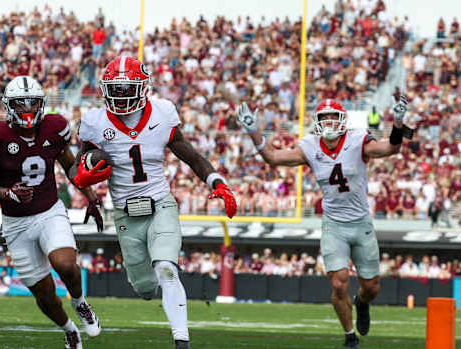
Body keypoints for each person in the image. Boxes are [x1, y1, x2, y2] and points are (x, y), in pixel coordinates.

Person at [72, 56, 237, 349]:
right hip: (125, 213)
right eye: (115, 89)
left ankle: (182, 342)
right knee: (145, 287)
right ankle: (151, 291)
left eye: (126, 88)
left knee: (166, 268)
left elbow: (193, 157)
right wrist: (86, 188)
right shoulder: (94, 122)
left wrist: (218, 183)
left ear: (142, 88)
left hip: (160, 203)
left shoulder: (162, 113)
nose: (120, 95)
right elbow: (77, 168)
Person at [237, 94, 410, 349]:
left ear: (342, 120)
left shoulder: (357, 139)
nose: (328, 122)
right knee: (339, 282)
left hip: (361, 222)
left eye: (333, 116)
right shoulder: (310, 145)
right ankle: (350, 336)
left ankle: (362, 303)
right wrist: (253, 131)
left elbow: (391, 148)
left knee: (371, 287)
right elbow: (273, 157)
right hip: (333, 224)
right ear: (316, 121)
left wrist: (398, 122)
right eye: (324, 117)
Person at [0, 76, 107, 349]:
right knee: (44, 293)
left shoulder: (55, 128)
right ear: (8, 106)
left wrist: (91, 197)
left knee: (65, 264)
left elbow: (71, 167)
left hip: (49, 211)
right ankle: (69, 329)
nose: (27, 109)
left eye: (32, 104)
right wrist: (6, 192)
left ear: (41, 104)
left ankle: (80, 303)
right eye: (20, 104)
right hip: (15, 223)